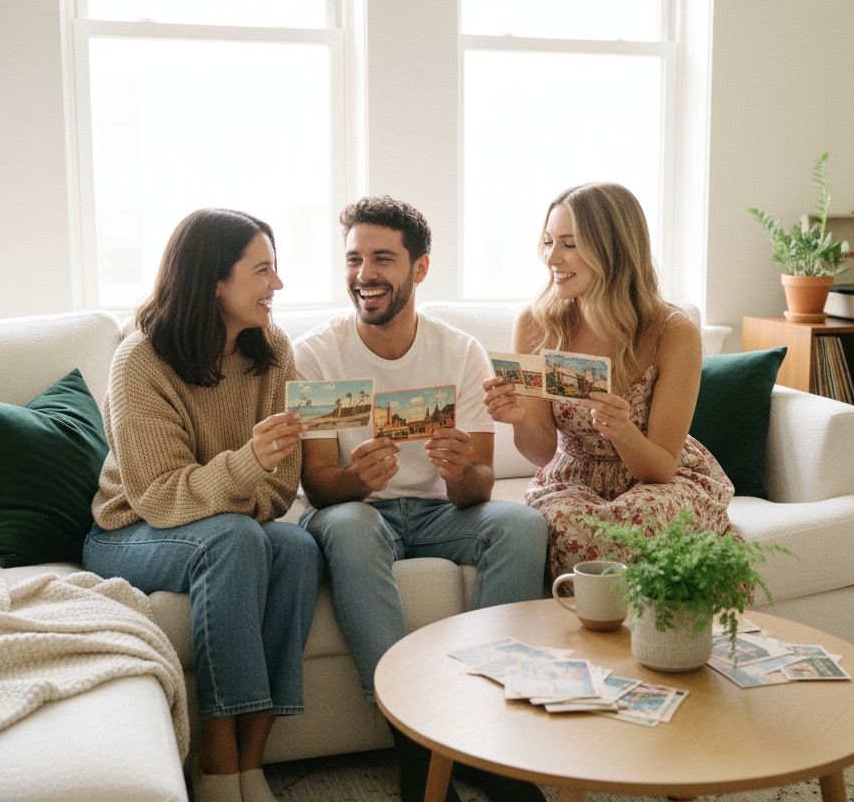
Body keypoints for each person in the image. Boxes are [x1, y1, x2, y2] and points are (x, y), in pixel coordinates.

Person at [294, 196, 548, 802]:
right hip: (357, 512)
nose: (364, 274)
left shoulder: (459, 352)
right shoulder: (315, 354)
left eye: (383, 258)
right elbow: (316, 485)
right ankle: (416, 748)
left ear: (421, 268)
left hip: (438, 512)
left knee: (522, 525)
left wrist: (463, 470)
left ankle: (488, 735)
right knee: (351, 524)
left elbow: (479, 486)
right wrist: (357, 479)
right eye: (354, 259)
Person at [83, 208, 322, 802]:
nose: (278, 285)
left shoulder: (273, 351)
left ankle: (251, 760)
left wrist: (254, 478)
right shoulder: (140, 361)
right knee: (235, 539)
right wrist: (246, 464)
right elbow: (160, 495)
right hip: (132, 530)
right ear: (214, 280)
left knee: (295, 544)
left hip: (225, 524)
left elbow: (280, 489)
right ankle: (215, 759)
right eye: (263, 270)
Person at [482, 182, 736, 585]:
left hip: (655, 477)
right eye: (548, 241)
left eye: (569, 243)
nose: (551, 257)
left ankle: (654, 640)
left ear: (613, 249)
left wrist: (623, 431)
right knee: (563, 525)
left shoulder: (673, 331)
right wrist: (518, 419)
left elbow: (660, 468)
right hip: (571, 479)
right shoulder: (536, 324)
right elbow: (541, 451)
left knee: (644, 522)